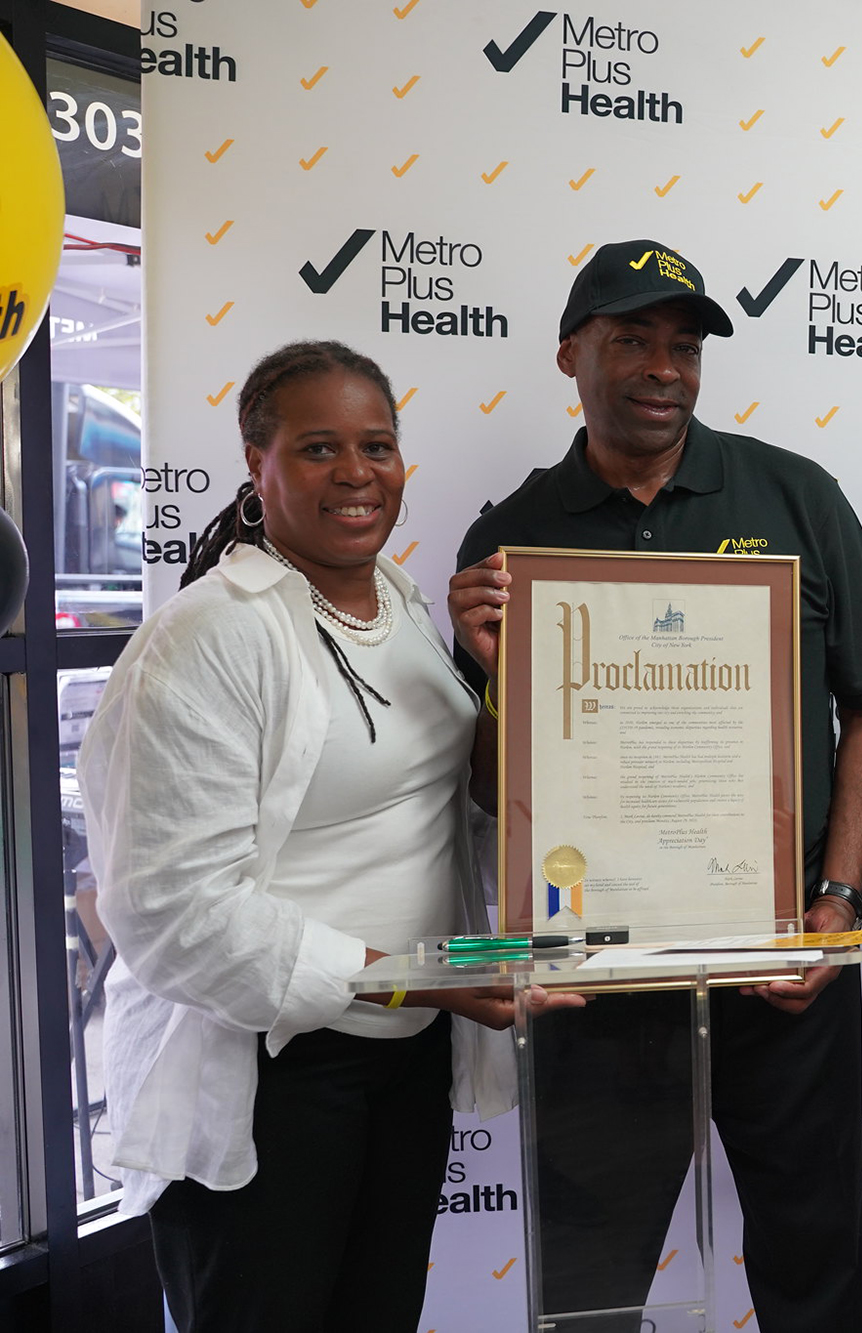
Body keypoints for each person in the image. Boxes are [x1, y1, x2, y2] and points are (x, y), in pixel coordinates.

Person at [446, 240, 862, 1333]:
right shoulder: (510, 541)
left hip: (776, 959)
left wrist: (834, 907)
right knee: (590, 1288)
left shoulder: (797, 497)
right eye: (632, 340)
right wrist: (481, 667)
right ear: (571, 354)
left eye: (684, 346)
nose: (664, 367)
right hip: (593, 982)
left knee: (815, 1264)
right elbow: (483, 789)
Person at [77, 340, 578, 1333]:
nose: (356, 473)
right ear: (257, 469)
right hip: (271, 1075)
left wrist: (502, 676)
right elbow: (171, 911)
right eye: (317, 448)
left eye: (377, 445)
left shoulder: (392, 599)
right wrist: (403, 974)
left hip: (404, 1059)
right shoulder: (206, 638)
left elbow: (452, 805)